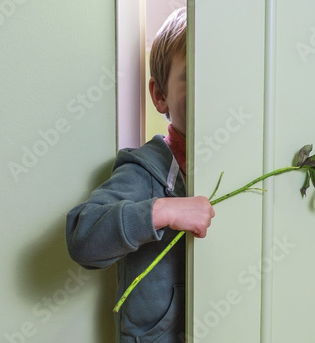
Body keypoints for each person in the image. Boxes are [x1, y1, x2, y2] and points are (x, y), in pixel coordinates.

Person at [65, 7, 215, 342]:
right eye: (194, 74)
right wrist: (161, 210)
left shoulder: (242, 166)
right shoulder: (145, 169)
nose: (213, 88)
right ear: (160, 96)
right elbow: (82, 239)